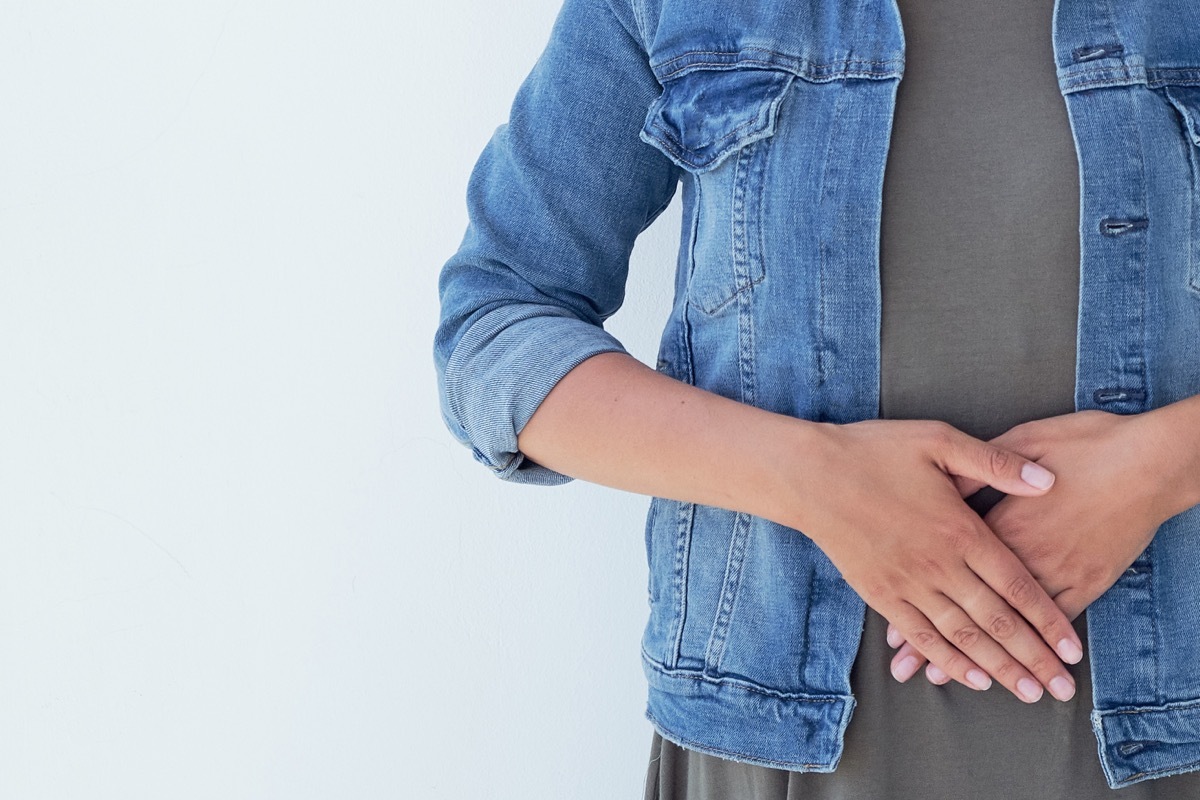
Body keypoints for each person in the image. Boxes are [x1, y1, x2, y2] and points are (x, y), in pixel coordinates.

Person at [433, 0, 1200, 795]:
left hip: (1166, 729)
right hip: (771, 739)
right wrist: (816, 479)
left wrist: (1163, 468)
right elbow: (494, 328)